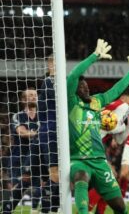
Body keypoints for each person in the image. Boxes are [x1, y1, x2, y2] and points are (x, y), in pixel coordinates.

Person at [68, 39, 129, 214]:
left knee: (120, 207)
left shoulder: (96, 102)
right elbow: (73, 75)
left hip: (100, 160)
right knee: (81, 176)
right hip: (77, 159)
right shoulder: (71, 104)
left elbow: (117, 90)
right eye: (82, 87)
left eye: (87, 86)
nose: (86, 88)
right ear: (75, 92)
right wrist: (94, 56)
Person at [88, 88, 129, 214]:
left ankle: (98, 211)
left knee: (110, 178)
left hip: (98, 145)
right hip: (93, 143)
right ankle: (86, 209)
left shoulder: (121, 110)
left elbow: (119, 139)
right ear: (124, 97)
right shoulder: (123, 106)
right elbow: (112, 127)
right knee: (109, 179)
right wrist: (121, 125)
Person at [2, 88, 43, 213]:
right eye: (30, 95)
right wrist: (40, 133)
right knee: (19, 186)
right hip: (19, 157)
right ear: (23, 100)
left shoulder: (43, 115)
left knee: (42, 183)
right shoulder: (18, 116)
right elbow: (22, 132)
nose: (34, 97)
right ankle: (7, 210)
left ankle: (36, 209)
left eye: (35, 95)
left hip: (38, 156)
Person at [37, 54, 59, 213]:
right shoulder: (48, 82)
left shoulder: (61, 82)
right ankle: (49, 209)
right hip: (50, 131)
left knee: (61, 173)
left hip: (60, 130)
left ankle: (54, 207)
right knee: (54, 173)